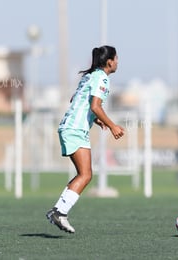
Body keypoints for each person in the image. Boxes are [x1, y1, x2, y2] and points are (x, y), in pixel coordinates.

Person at [46, 45, 125, 233]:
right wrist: (112, 125)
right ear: (109, 61)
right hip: (75, 129)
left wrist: (96, 121)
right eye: (116, 58)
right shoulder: (102, 78)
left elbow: (77, 100)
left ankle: (57, 211)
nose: (118, 62)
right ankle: (60, 213)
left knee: (83, 174)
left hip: (70, 127)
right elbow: (96, 106)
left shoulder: (89, 76)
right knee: (86, 174)